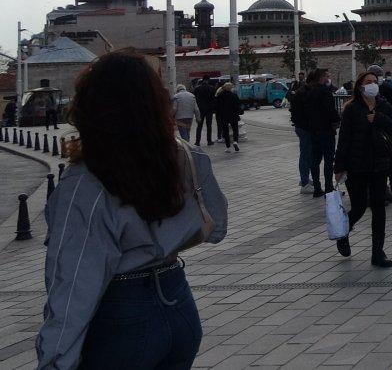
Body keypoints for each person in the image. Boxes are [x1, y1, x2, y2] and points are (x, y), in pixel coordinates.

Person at [36, 50, 228, 369]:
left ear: (90, 107)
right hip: (178, 304)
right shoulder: (184, 157)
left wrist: (54, 361)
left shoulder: (86, 183)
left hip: (122, 314)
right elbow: (217, 225)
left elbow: (73, 283)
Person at [333, 70, 392, 268]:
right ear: (360, 86)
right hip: (357, 166)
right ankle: (343, 233)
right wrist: (339, 167)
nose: (372, 84)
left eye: (375, 81)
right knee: (360, 206)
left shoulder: (383, 106)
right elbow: (343, 140)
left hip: (379, 165)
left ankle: (378, 252)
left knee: (379, 208)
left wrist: (378, 118)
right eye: (368, 81)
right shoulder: (352, 109)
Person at [367, 64, 392, 200]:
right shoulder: (360, 102)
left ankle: (389, 186)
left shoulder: (384, 96)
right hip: (378, 135)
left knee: (389, 159)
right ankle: (383, 188)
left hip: (385, 132)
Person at [306, 68, 341, 197]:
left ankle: (316, 187)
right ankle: (328, 186)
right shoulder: (324, 92)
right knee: (328, 159)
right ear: (321, 77)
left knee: (315, 160)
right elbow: (330, 110)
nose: (328, 78)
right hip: (326, 130)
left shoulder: (310, 92)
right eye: (327, 76)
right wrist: (337, 120)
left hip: (313, 130)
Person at [290, 72, 313, 191]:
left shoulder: (301, 91)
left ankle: (305, 179)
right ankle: (304, 182)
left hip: (301, 126)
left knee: (306, 153)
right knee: (305, 154)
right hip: (305, 127)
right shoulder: (304, 92)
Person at [214, 82, 241, 153]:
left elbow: (217, 106)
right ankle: (235, 141)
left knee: (225, 131)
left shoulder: (220, 96)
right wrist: (239, 113)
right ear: (231, 88)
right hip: (233, 115)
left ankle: (228, 147)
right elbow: (238, 105)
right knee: (235, 129)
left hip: (223, 116)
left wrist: (218, 115)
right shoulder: (234, 95)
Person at [193, 78, 216, 146]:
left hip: (200, 109)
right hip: (209, 110)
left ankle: (197, 142)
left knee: (199, 126)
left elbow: (195, 98)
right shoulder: (211, 88)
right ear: (208, 80)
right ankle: (209, 141)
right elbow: (213, 99)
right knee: (209, 125)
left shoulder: (197, 89)